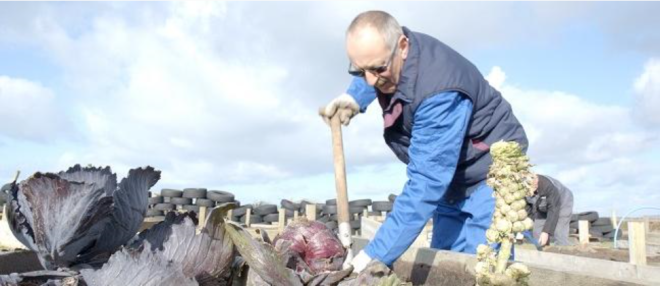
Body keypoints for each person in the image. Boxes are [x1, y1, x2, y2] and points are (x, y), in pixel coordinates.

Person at [320, 10, 529, 273]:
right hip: (452, 171)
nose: (371, 80)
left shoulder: (439, 92)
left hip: (490, 169)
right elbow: (372, 66)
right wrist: (354, 97)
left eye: (378, 69)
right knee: (444, 257)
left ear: (403, 47)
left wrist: (373, 256)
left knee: (482, 265)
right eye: (359, 70)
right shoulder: (389, 53)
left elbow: (427, 182)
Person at [527, 173, 574, 246]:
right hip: (542, 205)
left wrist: (546, 232)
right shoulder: (525, 188)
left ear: (536, 182)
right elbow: (528, 207)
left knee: (559, 232)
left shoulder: (549, 187)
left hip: (562, 202)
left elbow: (553, 210)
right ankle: (542, 253)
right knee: (537, 232)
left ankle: (563, 249)